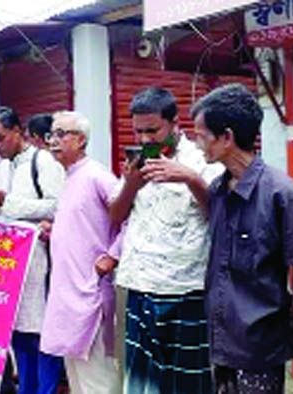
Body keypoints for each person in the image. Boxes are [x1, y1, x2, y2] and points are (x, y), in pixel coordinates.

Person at [189, 84, 293, 393]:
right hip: (219, 337)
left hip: (258, 343)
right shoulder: (217, 188)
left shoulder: (283, 195)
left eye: (202, 135)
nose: (197, 143)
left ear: (227, 137)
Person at [108, 87, 223, 393]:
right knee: (141, 381)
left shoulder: (203, 158)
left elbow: (220, 215)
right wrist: (131, 184)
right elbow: (115, 215)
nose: (145, 139)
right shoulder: (138, 160)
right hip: (139, 286)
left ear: (174, 123)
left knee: (187, 383)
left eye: (152, 130)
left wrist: (190, 178)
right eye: (138, 131)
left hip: (186, 292)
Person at [0, 106, 66, 394]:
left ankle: (45, 389)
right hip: (12, 263)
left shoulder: (43, 161)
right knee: (18, 332)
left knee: (42, 333)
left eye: (0, 138)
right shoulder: (4, 166)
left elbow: (58, 205)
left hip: (41, 261)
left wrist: (7, 203)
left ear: (18, 132)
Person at [39, 111, 121, 393]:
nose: (53, 141)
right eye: (52, 134)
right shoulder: (71, 177)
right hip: (68, 292)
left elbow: (131, 218)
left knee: (98, 378)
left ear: (82, 140)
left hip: (91, 292)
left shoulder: (97, 176)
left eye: (62, 134)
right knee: (76, 376)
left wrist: (113, 256)